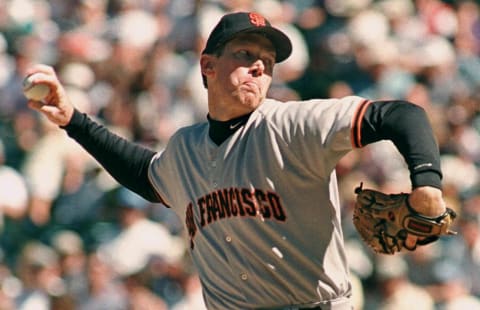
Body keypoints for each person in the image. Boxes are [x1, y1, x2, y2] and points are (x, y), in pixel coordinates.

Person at [25, 11, 448, 310]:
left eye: (267, 62)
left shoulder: (294, 124)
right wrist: (73, 120)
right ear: (207, 65)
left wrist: (426, 182)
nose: (259, 67)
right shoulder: (185, 149)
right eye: (245, 54)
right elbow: (144, 174)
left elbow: (400, 115)